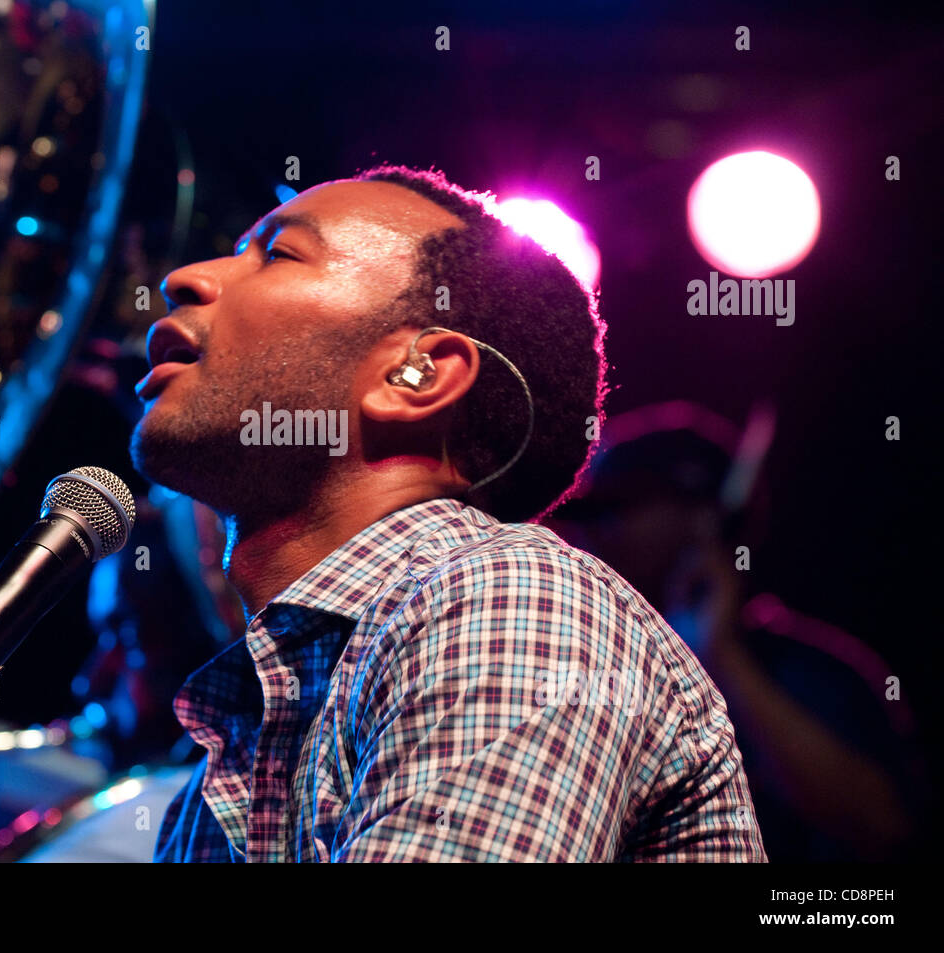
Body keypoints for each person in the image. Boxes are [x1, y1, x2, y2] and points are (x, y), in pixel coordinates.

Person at [130, 164, 767, 861]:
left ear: (417, 375)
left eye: (278, 254)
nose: (184, 278)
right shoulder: (215, 783)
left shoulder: (514, 600)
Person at [545, 401, 927, 861]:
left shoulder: (814, 672)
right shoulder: (585, 664)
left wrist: (721, 655)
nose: (589, 533)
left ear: (706, 521)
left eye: (616, 507)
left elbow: (885, 827)